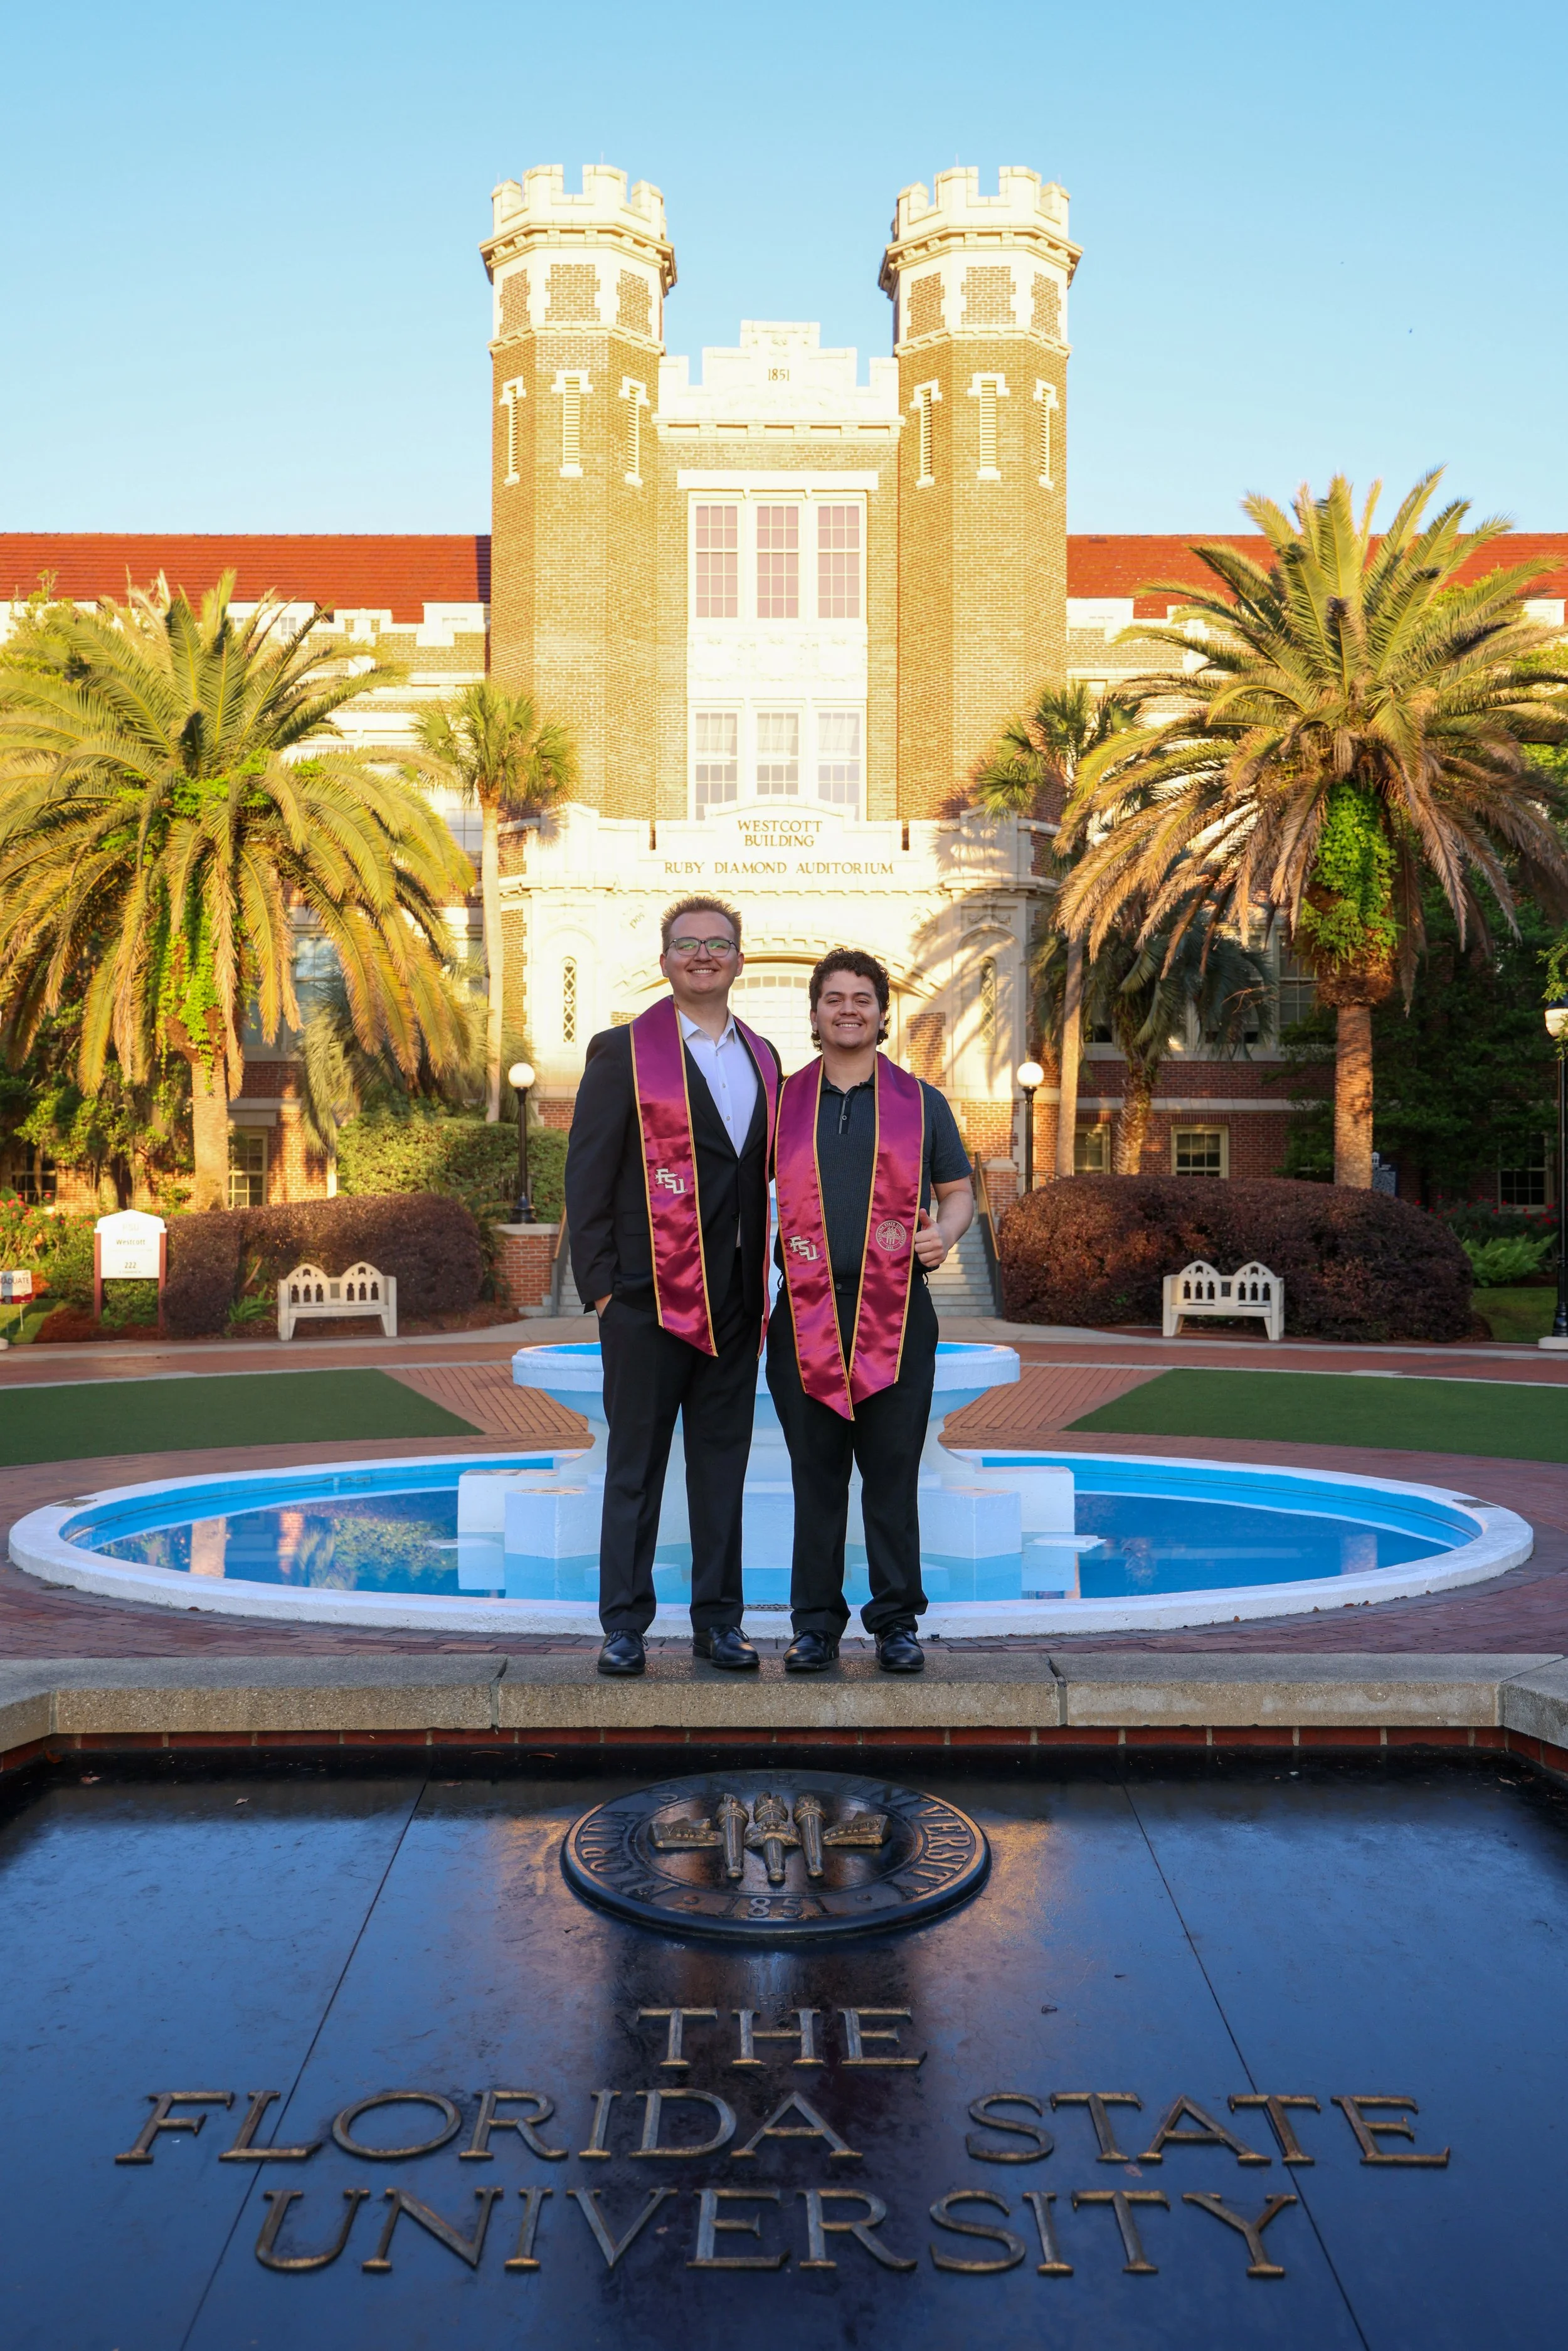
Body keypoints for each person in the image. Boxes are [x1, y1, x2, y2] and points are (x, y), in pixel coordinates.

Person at [565, 896, 781, 1677]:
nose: (702, 955)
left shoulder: (764, 1058)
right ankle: (624, 1625)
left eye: (717, 944)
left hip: (735, 1302)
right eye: (686, 944)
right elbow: (587, 1175)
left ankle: (718, 1623)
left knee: (721, 1470)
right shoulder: (622, 1051)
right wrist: (603, 1293)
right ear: (663, 962)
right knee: (636, 1468)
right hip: (644, 1298)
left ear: (738, 960)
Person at [767, 948, 974, 1674]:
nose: (848, 1009)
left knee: (891, 1474)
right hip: (803, 1314)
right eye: (834, 998)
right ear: (814, 1012)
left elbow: (957, 1192)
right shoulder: (781, 1102)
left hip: (898, 1313)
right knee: (815, 1476)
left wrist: (945, 1233)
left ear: (883, 1014)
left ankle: (895, 1623)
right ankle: (815, 1626)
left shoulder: (922, 1102)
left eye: (862, 998)